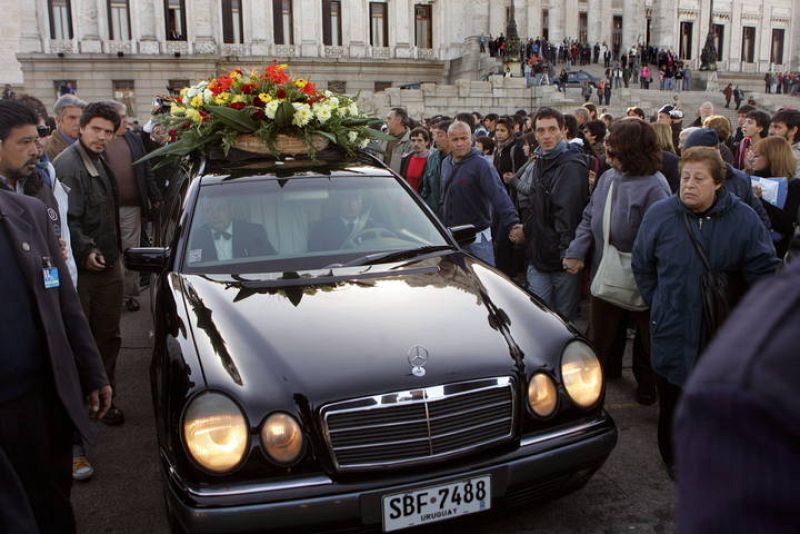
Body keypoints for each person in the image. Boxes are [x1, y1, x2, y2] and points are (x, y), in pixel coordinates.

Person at [0, 100, 111, 534]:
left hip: (43, 395)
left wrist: (92, 372)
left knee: (51, 498)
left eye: (37, 140)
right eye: (25, 142)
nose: (36, 150)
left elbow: (64, 302)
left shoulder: (30, 210)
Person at [632, 146, 780, 473]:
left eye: (699, 178)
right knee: (672, 402)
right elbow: (642, 265)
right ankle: (674, 459)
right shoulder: (660, 214)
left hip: (722, 331)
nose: (689, 184)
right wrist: (661, 301)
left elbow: (763, 273)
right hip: (671, 327)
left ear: (718, 183)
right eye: (685, 177)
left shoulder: (744, 219)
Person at [675, 254, 800, 533]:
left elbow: (762, 266)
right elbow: (644, 266)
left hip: (716, 321)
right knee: (671, 387)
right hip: (677, 324)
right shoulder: (745, 394)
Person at [564, 118, 670, 405]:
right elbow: (590, 215)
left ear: (633, 153)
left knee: (648, 341)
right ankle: (593, 386)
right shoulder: (608, 177)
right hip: (606, 268)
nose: (607, 158)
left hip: (644, 277)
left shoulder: (655, 187)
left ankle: (648, 386)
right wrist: (576, 250)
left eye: (613, 153)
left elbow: (661, 239)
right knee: (598, 337)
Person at [54, 102, 125, 430]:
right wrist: (86, 250)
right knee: (83, 340)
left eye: (108, 132)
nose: (102, 137)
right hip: (84, 272)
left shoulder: (98, 159)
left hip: (108, 264)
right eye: (96, 129)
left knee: (108, 336)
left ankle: (104, 397)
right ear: (81, 128)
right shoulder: (68, 166)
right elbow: (67, 219)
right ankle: (85, 403)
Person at [508, 108, 589, 321]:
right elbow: (537, 206)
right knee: (538, 317)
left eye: (552, 129)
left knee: (562, 321)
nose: (546, 135)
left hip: (561, 259)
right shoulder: (541, 160)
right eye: (541, 130)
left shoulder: (571, 165)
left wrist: (569, 254)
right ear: (534, 133)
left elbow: (569, 215)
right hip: (539, 253)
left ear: (563, 130)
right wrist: (527, 230)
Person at [103, 101, 162, 312]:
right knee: (112, 252)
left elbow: (146, 169)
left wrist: (154, 195)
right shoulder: (101, 141)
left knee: (130, 252)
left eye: (125, 116)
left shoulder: (133, 139)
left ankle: (129, 295)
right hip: (106, 209)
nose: (125, 121)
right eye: (121, 117)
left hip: (132, 207)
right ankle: (113, 295)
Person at [440, 120, 520, 266]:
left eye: (463, 138)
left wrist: (513, 224)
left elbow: (499, 195)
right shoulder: (446, 163)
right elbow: (444, 197)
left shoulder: (481, 165)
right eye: (455, 139)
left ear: (471, 139)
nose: (459, 143)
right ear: (449, 140)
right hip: (452, 237)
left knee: (484, 276)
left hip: (477, 237)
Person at [683, 128, 772, 230]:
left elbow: (761, 222)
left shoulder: (740, 180)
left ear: (715, 152)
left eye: (694, 155)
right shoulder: (684, 179)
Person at [748, 136, 800, 257]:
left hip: (777, 250)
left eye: (757, 156)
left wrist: (759, 200)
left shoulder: (793, 186)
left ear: (772, 158)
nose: (752, 160)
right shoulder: (752, 179)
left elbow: (787, 223)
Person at [190, 197, 276, 259]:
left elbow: (270, 260)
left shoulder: (254, 232)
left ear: (230, 210)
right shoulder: (195, 238)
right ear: (204, 213)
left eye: (220, 209)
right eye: (208, 210)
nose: (215, 215)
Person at [420, 119, 451, 215]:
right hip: (434, 212)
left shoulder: (459, 159)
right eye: (435, 135)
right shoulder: (433, 158)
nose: (436, 139)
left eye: (440, 135)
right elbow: (426, 188)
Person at [44, 94, 87, 162]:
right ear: (58, 120)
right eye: (72, 118)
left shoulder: (89, 143)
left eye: (81, 118)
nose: (78, 122)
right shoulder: (47, 148)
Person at [768, 108, 800, 178]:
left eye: (777, 127)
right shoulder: (771, 149)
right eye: (771, 126)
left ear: (793, 130)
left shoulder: (796, 157)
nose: (771, 132)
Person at [399, 127, 431, 193]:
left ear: (427, 142)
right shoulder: (406, 159)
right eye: (413, 140)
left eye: (420, 140)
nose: (416, 144)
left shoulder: (432, 160)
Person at [382, 107, 413, 174]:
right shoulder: (382, 138)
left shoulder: (411, 141)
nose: (386, 121)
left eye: (389, 119)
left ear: (399, 120)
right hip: (381, 178)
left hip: (398, 179)